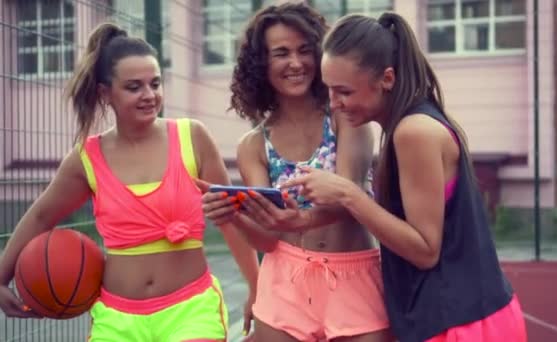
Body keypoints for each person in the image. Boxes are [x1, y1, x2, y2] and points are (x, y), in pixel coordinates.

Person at [0, 23, 259, 342]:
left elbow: (231, 218)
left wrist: (257, 290)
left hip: (190, 310)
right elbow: (40, 216)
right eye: (134, 87)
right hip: (118, 318)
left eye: (155, 83)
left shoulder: (192, 137)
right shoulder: (87, 157)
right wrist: (1, 278)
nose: (149, 95)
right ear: (105, 93)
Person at [281, 12, 528, 342]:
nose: (335, 104)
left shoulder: (413, 131)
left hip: (461, 325)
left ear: (387, 78)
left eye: (344, 91)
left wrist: (347, 193)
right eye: (329, 90)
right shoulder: (409, 124)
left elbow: (426, 250)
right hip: (457, 318)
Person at [201, 3, 392, 342]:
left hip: (354, 276)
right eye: (281, 53)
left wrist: (300, 220)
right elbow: (267, 238)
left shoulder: (347, 118)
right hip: (285, 280)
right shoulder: (253, 145)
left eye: (305, 50)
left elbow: (350, 199)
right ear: (262, 64)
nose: (295, 63)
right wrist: (229, 215)